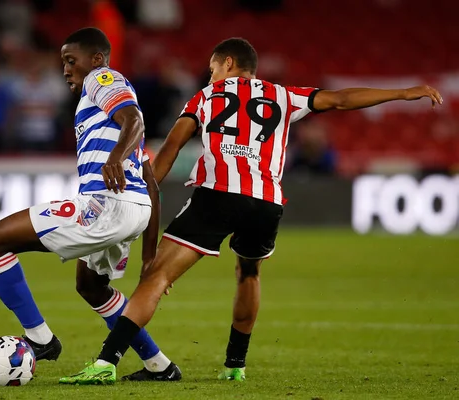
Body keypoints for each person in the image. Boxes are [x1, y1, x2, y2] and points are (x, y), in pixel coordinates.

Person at [59, 37, 444, 384]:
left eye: (212, 69)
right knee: (248, 272)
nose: (210, 77)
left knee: (156, 276)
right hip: (266, 201)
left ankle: (107, 361)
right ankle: (235, 366)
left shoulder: (204, 98)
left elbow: (173, 146)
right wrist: (404, 93)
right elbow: (341, 99)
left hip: (218, 195)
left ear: (228, 63)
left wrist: (148, 191)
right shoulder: (284, 95)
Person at [0, 27, 181, 382]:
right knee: (91, 286)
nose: (66, 69)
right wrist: (149, 252)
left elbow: (135, 118)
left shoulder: (102, 80)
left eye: (71, 61)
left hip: (105, 206)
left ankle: (41, 341)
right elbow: (150, 182)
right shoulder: (107, 114)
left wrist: (115, 157)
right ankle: (159, 365)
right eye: (63, 63)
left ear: (97, 59)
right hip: (133, 210)